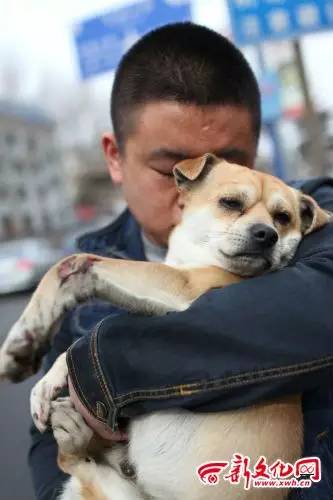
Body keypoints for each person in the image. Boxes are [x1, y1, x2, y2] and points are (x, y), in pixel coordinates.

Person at [29, 22, 333, 500]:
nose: (195, 190)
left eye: (227, 169)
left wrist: (100, 365)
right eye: (168, 170)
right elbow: (46, 443)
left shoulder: (308, 220)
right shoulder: (90, 271)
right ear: (114, 157)